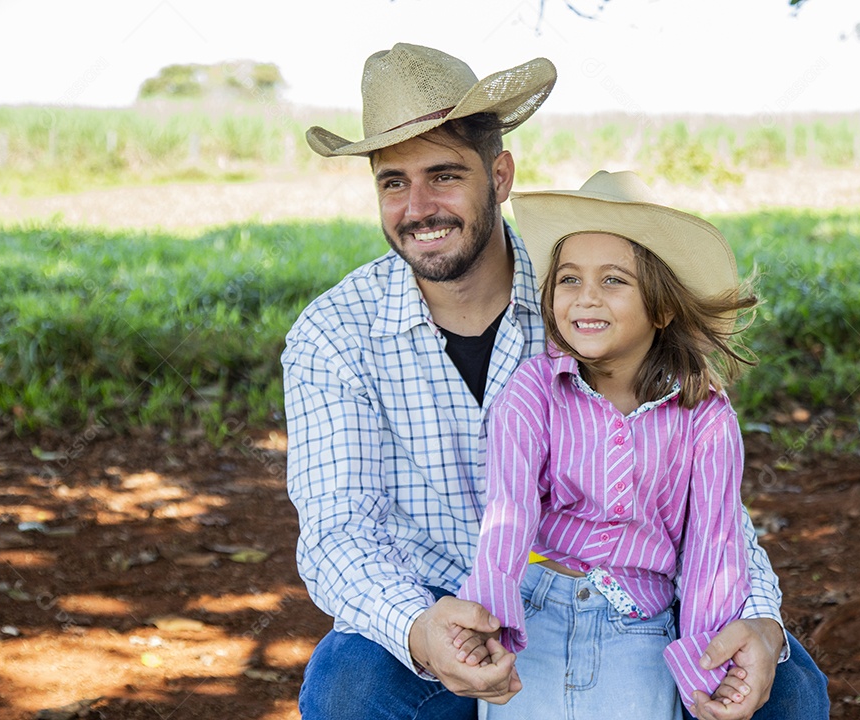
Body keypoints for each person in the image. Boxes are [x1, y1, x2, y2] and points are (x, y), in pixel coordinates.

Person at [283, 42, 829, 720]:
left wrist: (762, 620)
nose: (418, 206)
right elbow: (338, 529)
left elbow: (703, 492)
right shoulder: (335, 333)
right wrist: (420, 631)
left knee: (790, 692)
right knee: (349, 690)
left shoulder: (585, 302)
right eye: (393, 182)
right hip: (435, 606)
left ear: (500, 174)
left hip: (627, 605)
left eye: (444, 175)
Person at [454, 170, 762, 719]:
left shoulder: (706, 418)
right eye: (569, 279)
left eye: (614, 280)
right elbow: (508, 512)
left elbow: (714, 549)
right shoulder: (534, 391)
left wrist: (704, 666)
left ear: (662, 308)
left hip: (639, 627)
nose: (586, 298)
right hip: (536, 611)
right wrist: (490, 618)